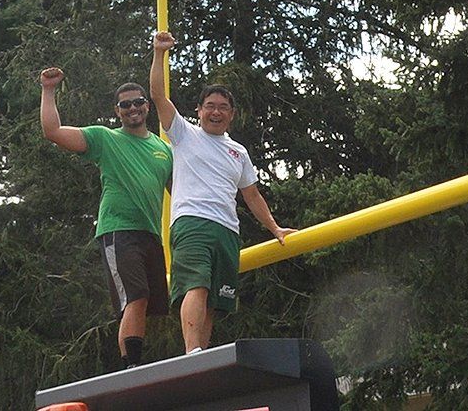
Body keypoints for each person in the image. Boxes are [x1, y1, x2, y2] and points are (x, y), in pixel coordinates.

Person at [149, 31, 296, 354]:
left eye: (223, 108)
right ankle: (191, 352)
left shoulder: (238, 152)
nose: (216, 112)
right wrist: (160, 53)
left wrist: (274, 227)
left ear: (232, 114)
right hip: (192, 223)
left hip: (227, 230)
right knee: (196, 285)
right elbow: (158, 96)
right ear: (199, 110)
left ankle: (201, 353)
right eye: (210, 107)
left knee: (216, 298)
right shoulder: (184, 134)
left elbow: (252, 195)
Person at [39, 66, 173, 370]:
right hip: (119, 231)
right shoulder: (106, 139)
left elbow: (183, 190)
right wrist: (48, 90)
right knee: (135, 295)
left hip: (150, 232)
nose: (133, 108)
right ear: (117, 111)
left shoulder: (164, 150)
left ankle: (137, 363)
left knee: (149, 302)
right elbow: (53, 132)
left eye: (138, 102)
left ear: (147, 106)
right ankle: (131, 366)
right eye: (125, 105)